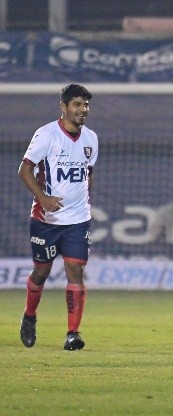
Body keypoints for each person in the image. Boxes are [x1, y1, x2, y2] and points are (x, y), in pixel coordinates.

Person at [18, 84, 98, 351]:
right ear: (63, 107)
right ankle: (29, 316)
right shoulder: (46, 135)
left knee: (76, 270)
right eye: (77, 104)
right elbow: (25, 169)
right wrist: (43, 198)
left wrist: (86, 202)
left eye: (86, 105)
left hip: (77, 220)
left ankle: (72, 333)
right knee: (42, 271)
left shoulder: (91, 138)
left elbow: (89, 173)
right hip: (47, 220)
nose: (82, 110)